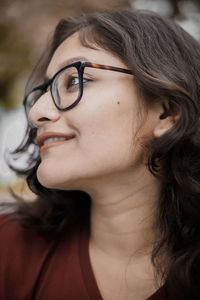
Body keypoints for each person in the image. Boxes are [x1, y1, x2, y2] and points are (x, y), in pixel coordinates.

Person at [1, 7, 200, 300]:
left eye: (76, 81)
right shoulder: (10, 250)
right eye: (43, 91)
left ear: (166, 112)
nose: (37, 113)